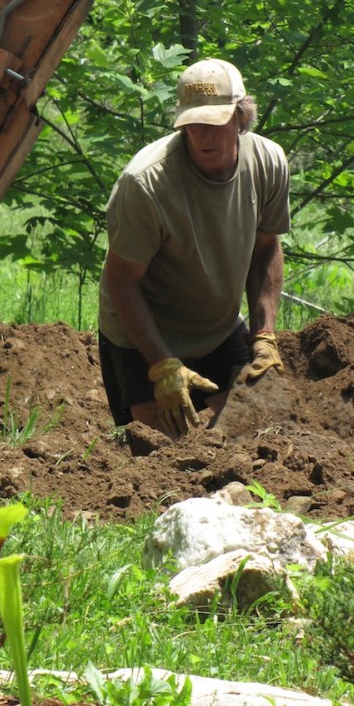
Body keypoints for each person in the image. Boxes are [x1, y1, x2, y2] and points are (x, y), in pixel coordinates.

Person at [98, 57, 290, 438]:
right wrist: (162, 365)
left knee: (261, 435)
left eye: (215, 122)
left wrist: (264, 333)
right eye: (192, 123)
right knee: (160, 456)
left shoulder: (268, 162)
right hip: (142, 338)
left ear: (241, 117)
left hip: (216, 330)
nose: (203, 134)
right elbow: (121, 281)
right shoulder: (146, 183)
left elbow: (266, 248)